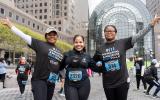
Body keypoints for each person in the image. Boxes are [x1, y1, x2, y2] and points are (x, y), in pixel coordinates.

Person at [93, 16, 160, 100]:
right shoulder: (100, 48)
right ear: (104, 33)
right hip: (108, 83)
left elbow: (139, 35)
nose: (109, 32)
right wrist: (100, 68)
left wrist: (151, 24)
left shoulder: (122, 43)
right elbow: (93, 62)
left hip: (122, 82)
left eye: (111, 31)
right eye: (107, 31)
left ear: (115, 33)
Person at [1, 18, 63, 100]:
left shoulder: (60, 51)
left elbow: (61, 66)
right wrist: (10, 25)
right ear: (46, 36)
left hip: (51, 82)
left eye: (54, 34)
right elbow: (23, 36)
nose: (52, 36)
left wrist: (63, 76)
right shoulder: (40, 44)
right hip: (39, 80)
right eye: (49, 34)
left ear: (57, 36)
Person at [60, 35, 100, 100]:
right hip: (70, 84)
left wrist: (101, 63)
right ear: (73, 43)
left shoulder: (87, 55)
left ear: (83, 43)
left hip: (84, 84)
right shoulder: (67, 54)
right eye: (76, 42)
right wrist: (62, 75)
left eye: (80, 42)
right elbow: (59, 67)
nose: (78, 44)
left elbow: (95, 67)